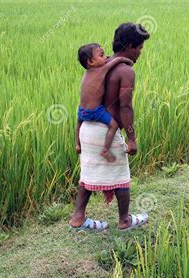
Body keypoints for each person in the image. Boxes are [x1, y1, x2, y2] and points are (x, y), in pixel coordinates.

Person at [70, 23, 150, 232]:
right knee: (121, 177)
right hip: (106, 131)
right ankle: (124, 220)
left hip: (87, 129)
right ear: (131, 46)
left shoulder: (98, 66)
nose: (140, 53)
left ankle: (78, 217)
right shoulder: (124, 70)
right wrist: (131, 138)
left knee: (87, 176)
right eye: (140, 48)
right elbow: (125, 106)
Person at [76, 43, 133, 162]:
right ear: (91, 62)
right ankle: (105, 150)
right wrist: (127, 61)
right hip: (95, 111)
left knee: (78, 124)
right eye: (102, 55)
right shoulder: (101, 70)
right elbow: (117, 60)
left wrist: (103, 59)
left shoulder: (87, 73)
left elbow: (108, 61)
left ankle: (77, 144)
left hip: (82, 111)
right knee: (114, 126)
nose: (106, 57)